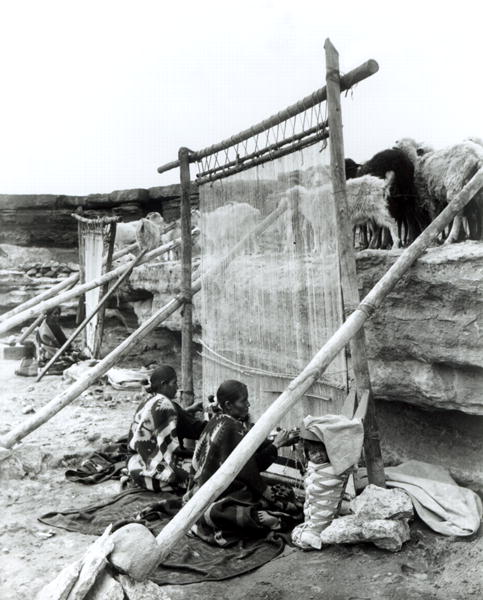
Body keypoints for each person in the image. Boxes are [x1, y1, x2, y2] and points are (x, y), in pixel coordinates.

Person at [185, 379, 301, 547]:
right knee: (282, 508)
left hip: (200, 489)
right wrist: (277, 445)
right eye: (243, 400)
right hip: (218, 494)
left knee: (284, 493)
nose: (248, 404)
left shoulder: (218, 420)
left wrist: (278, 441)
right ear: (229, 405)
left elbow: (249, 448)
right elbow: (250, 469)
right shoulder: (231, 427)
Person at [126, 365, 205, 492]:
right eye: (175, 383)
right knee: (203, 470)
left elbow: (171, 421)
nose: (177, 388)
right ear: (164, 384)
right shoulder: (165, 405)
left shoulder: (149, 399)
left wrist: (188, 411)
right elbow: (196, 430)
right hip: (152, 473)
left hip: (134, 465)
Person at [36, 307, 82, 375]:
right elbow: (64, 342)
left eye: (58, 314)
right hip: (51, 354)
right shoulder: (52, 326)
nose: (57, 316)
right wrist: (72, 348)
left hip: (43, 356)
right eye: (55, 314)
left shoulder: (44, 324)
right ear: (49, 314)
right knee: (76, 355)